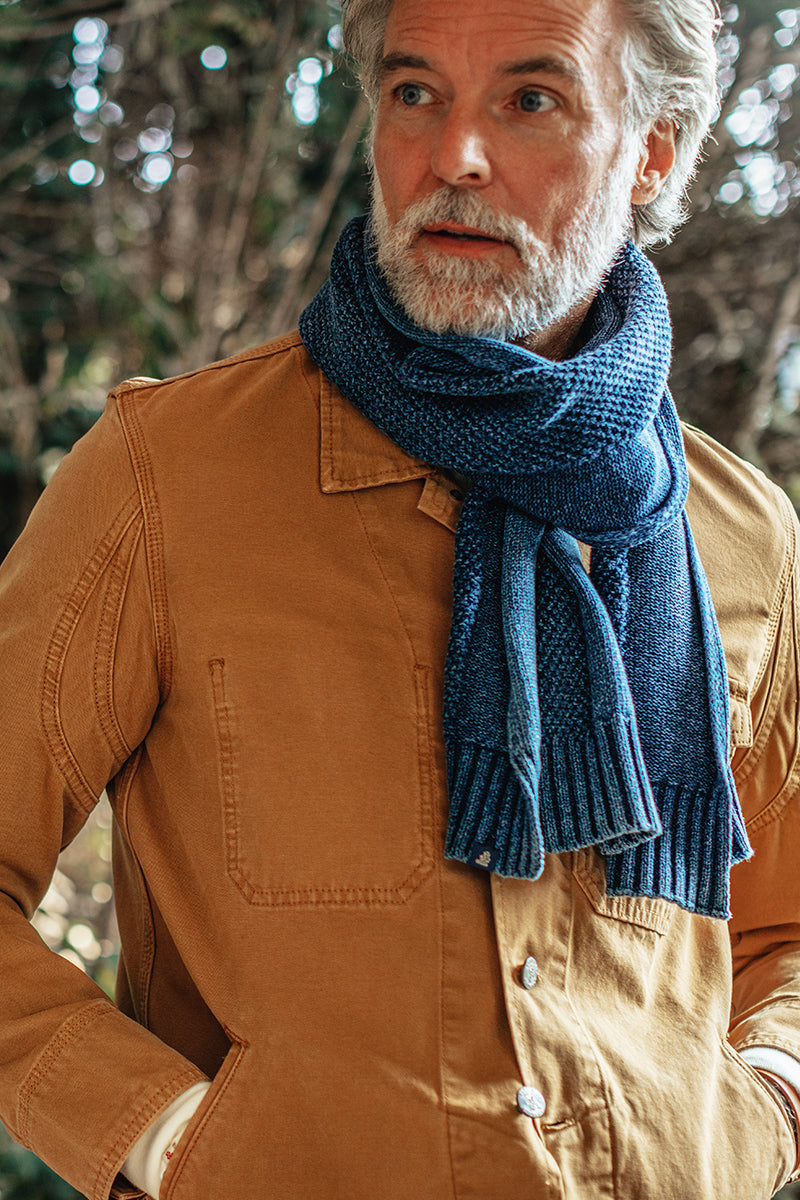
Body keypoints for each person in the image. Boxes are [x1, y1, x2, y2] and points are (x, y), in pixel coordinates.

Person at [1, 0, 800, 1196]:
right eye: (414, 93)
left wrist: (765, 1103)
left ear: (651, 152)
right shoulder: (168, 478)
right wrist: (173, 1142)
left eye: (529, 101)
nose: (453, 156)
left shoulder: (743, 535)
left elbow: (783, 928)